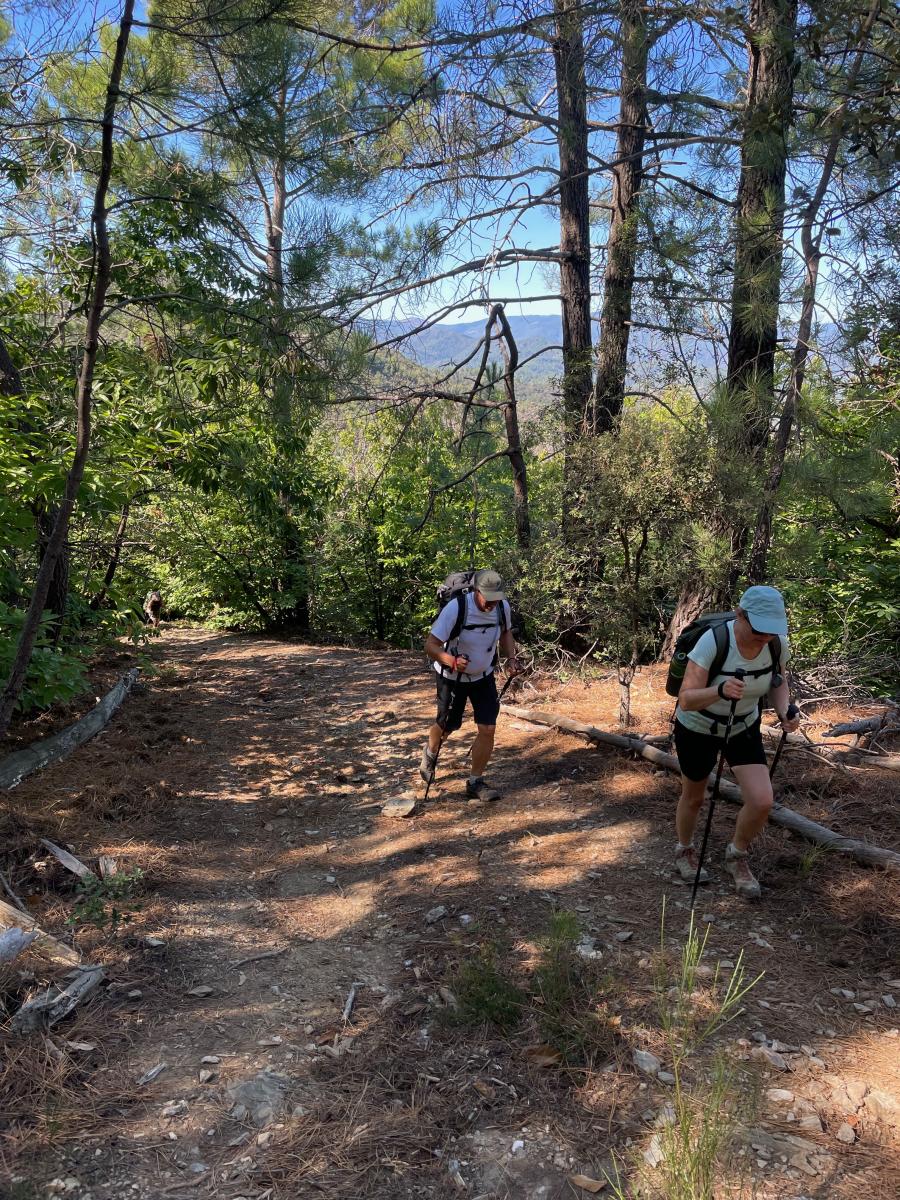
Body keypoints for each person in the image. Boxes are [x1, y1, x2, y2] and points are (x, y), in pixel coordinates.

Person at [672, 585, 801, 899]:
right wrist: (719, 690)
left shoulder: (775, 644)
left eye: (770, 631)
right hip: (697, 727)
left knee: (762, 800)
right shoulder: (713, 641)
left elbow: (777, 680)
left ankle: (736, 856)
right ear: (740, 615)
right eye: (759, 630)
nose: (764, 637)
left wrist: (784, 710)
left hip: (742, 725)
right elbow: (686, 699)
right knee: (694, 798)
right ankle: (685, 850)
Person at [419, 569, 521, 801]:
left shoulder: (502, 607)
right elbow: (431, 645)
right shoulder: (456, 608)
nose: (492, 604)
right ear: (476, 591)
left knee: (488, 728)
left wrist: (511, 658)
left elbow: (506, 633)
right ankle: (431, 751)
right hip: (452, 677)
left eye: (496, 598)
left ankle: (475, 781)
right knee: (447, 726)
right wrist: (451, 661)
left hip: (484, 676)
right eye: (488, 598)